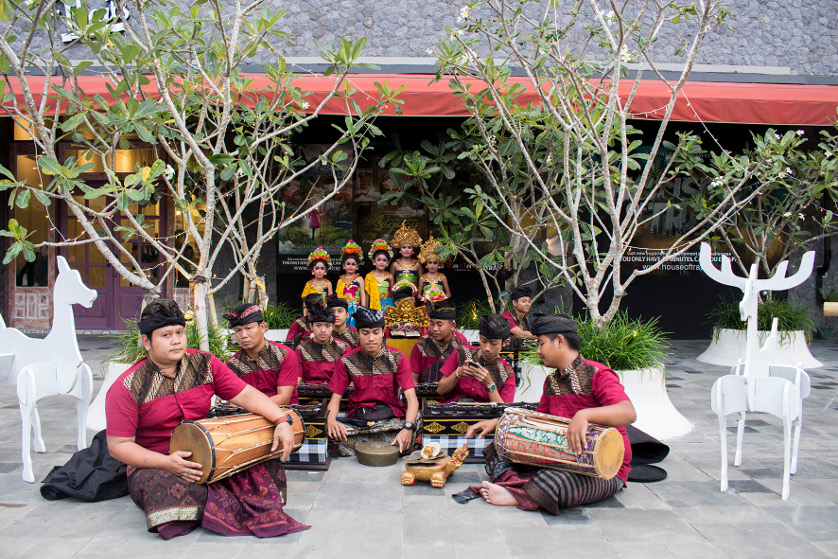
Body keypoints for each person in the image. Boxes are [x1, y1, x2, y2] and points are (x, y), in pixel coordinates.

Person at [105, 299, 307, 539]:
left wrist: (281, 420)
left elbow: (245, 394)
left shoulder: (205, 363)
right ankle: (216, 503)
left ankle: (203, 508)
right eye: (166, 335)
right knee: (161, 488)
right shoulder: (127, 386)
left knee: (269, 465)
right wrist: (166, 462)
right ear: (146, 342)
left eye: (180, 332)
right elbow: (118, 445)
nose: (176, 340)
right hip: (157, 461)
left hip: (211, 452)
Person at [464, 313, 635, 515]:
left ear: (560, 341)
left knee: (559, 481)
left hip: (602, 469)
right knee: (497, 451)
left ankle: (517, 493)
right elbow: (538, 420)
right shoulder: (552, 382)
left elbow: (628, 412)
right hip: (562, 458)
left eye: (541, 344)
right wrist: (498, 422)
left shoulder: (598, 374)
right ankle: (529, 489)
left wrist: (584, 415)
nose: (538, 350)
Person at [326, 306, 419, 455]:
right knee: (332, 433)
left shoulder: (398, 358)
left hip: (390, 419)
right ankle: (386, 446)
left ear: (383, 332)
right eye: (365, 333)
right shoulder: (347, 360)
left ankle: (369, 446)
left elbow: (412, 400)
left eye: (376, 333)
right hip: (360, 420)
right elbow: (335, 399)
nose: (371, 338)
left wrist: (408, 428)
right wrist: (331, 420)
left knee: (416, 425)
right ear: (358, 334)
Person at [225, 303, 301, 405]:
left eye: (248, 328)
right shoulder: (232, 364)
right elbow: (233, 401)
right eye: (238, 330)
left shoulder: (284, 355)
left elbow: (283, 399)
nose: (243, 335)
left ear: (262, 327)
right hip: (247, 417)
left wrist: (248, 406)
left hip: (283, 415)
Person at [437, 314, 516, 404]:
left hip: (483, 416)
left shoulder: (507, 373)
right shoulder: (461, 353)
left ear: (505, 342)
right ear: (479, 336)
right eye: (483, 341)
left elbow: (504, 412)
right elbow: (440, 391)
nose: (487, 348)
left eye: (493, 343)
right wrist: (457, 373)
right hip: (451, 413)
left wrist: (490, 385)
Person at [409, 299, 468, 384]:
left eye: (439, 325)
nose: (434, 329)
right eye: (432, 324)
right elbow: (412, 378)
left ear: (452, 325)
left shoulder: (462, 345)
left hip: (453, 395)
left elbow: (466, 381)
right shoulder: (422, 343)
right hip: (425, 394)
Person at [295, 302, 350, 385]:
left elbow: (348, 379)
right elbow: (297, 378)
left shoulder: (344, 347)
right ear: (311, 326)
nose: (323, 330)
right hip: (308, 393)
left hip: (336, 392)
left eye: (327, 326)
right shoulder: (302, 349)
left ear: (333, 326)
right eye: (318, 325)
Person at [336, 239, 367, 327]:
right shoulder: (340, 280)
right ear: (343, 265)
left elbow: (363, 295)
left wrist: (363, 309)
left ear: (357, 266)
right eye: (348, 264)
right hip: (343, 309)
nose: (350, 266)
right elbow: (338, 296)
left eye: (353, 264)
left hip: (356, 308)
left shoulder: (359, 279)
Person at [390, 220, 423, 294]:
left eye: (409, 247)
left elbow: (421, 282)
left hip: (413, 296)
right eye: (404, 247)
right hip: (399, 295)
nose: (406, 250)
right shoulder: (395, 264)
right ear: (400, 250)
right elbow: (391, 282)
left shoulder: (417, 265)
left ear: (413, 250)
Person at [418, 236, 452, 302]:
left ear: (439, 264)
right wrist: (426, 299)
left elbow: (448, 294)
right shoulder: (422, 278)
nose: (432, 266)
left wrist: (439, 299)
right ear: (426, 264)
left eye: (435, 263)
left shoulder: (442, 277)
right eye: (430, 263)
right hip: (427, 306)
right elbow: (419, 295)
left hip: (440, 306)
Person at [502, 285, 536, 350]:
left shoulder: (528, 319)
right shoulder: (506, 317)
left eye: (529, 301)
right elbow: (521, 334)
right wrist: (540, 335)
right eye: (524, 301)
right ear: (514, 303)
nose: (528, 304)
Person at [301, 246, 333, 315]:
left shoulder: (328, 283)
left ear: (325, 271)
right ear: (312, 270)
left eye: (322, 268)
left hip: (324, 313)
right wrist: (304, 316)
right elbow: (305, 302)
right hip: (311, 313)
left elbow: (331, 301)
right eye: (317, 268)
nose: (319, 271)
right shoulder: (308, 284)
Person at [365, 238, 394, 312]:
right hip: (374, 306)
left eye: (384, 260)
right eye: (379, 260)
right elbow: (367, 295)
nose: (381, 262)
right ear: (374, 261)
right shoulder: (369, 276)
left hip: (389, 305)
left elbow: (393, 293)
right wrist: (365, 309)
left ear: (387, 263)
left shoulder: (390, 276)